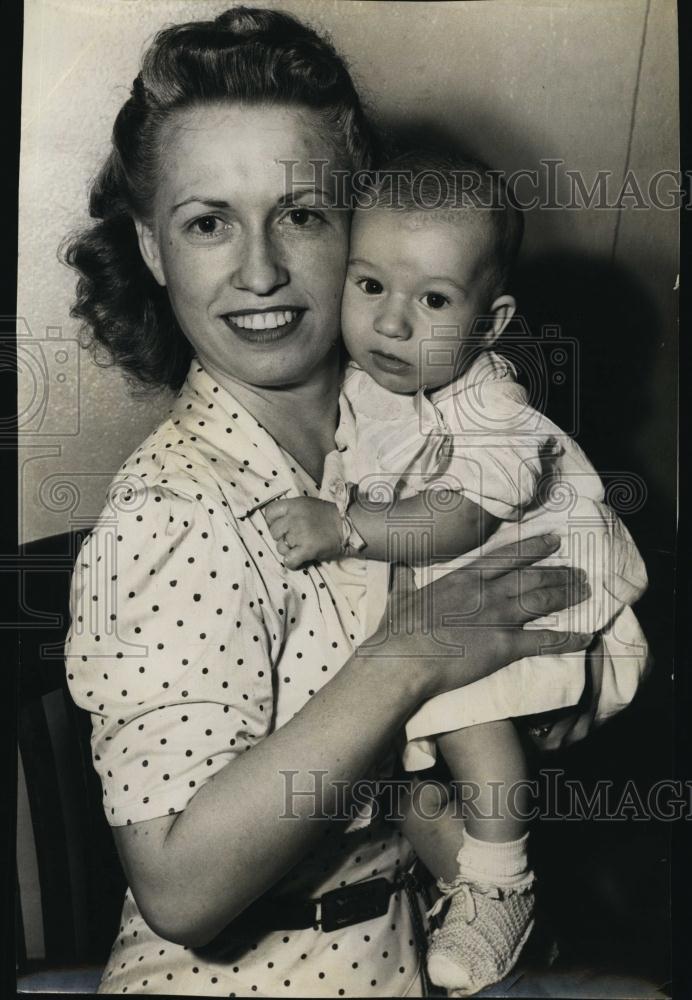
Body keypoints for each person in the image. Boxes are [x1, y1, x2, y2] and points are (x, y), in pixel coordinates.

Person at [62, 7, 594, 996]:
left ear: (362, 222)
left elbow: (397, 773)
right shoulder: (171, 511)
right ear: (150, 247)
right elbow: (177, 884)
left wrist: (534, 679)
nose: (259, 269)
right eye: (207, 222)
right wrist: (417, 651)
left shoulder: (393, 448)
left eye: (300, 213)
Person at [265, 152, 649, 995]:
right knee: (405, 761)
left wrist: (345, 528)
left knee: (470, 723)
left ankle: (501, 882)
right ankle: (477, 892)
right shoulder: (365, 386)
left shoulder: (490, 406)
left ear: (491, 318)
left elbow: (461, 520)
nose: (393, 323)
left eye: (433, 300)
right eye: (369, 286)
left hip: (538, 582)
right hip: (448, 603)